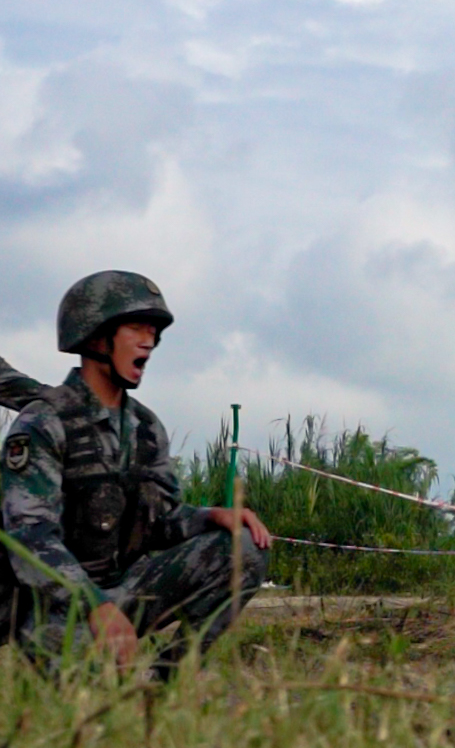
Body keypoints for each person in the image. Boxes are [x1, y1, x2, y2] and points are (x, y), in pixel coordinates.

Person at [0, 270, 271, 671]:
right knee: (91, 710)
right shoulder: (43, 423)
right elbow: (29, 538)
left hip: (117, 595)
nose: (149, 340)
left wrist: (210, 516)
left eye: (153, 331)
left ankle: (162, 683)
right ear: (95, 337)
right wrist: (92, 605)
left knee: (242, 549)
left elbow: (160, 521)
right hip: (50, 606)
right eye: (135, 327)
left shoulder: (146, 428)